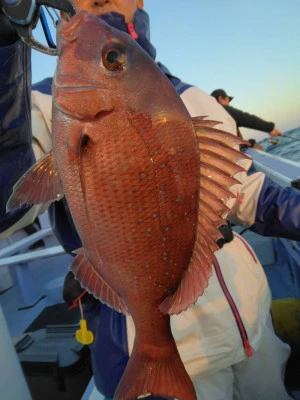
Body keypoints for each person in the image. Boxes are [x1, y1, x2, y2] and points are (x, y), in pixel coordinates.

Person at [1, 2, 299, 399]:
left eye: (112, 58)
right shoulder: (35, 106)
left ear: (139, 2)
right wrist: (5, 47)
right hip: (154, 341)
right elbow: (9, 202)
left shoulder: (191, 95)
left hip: (251, 313)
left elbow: (243, 190)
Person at [211, 88, 283, 151]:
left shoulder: (210, 116)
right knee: (258, 148)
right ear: (220, 98)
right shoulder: (222, 111)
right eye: (227, 100)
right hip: (229, 155)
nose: (229, 104)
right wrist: (270, 128)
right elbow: (244, 118)